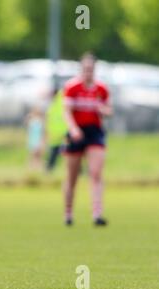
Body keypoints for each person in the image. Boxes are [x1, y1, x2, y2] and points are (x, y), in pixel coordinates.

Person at [62, 52, 112, 226]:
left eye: (91, 69)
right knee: (72, 176)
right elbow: (66, 112)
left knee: (96, 173)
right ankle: (68, 213)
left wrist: (102, 109)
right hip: (76, 132)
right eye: (85, 68)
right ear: (81, 69)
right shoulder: (72, 87)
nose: (88, 72)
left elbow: (109, 110)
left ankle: (97, 214)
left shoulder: (101, 89)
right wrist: (74, 129)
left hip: (94, 132)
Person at [45, 89, 67, 172]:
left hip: (62, 133)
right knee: (56, 153)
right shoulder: (55, 103)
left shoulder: (59, 102)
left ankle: (49, 170)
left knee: (71, 153)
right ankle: (49, 170)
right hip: (57, 133)